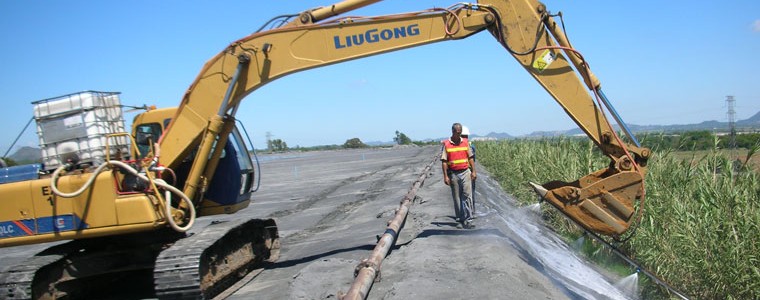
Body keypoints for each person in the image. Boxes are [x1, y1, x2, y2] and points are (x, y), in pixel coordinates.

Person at [441, 123, 477, 229]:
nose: (459, 134)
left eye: (460, 132)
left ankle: (469, 219)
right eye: (457, 132)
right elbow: (444, 161)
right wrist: (445, 176)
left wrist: (474, 171)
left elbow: (470, 157)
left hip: (465, 172)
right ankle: (460, 219)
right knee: (457, 198)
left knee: (467, 196)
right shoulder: (447, 144)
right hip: (453, 174)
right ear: (453, 131)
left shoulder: (465, 143)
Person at [460, 125, 477, 216]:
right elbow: (474, 160)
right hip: (468, 171)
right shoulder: (471, 146)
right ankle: (471, 211)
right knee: (470, 193)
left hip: (464, 172)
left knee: (463, 194)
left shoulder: (467, 146)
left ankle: (465, 213)